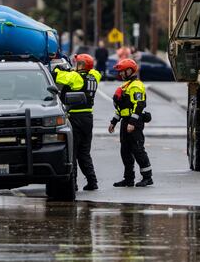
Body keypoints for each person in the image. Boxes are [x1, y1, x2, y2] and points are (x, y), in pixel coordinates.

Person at [53, 54, 101, 191]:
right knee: (84, 152)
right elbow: (93, 71)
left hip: (75, 118)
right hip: (88, 118)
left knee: (72, 152)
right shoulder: (95, 76)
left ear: (83, 66)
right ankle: (92, 181)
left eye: (78, 64)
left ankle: (72, 184)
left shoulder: (75, 78)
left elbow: (57, 76)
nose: (76, 66)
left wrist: (59, 68)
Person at [108, 58, 153, 187]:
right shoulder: (125, 86)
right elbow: (122, 108)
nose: (121, 74)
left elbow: (139, 105)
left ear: (130, 70)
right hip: (125, 122)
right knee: (125, 151)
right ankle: (128, 179)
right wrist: (114, 122)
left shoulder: (136, 86)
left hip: (134, 122)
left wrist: (132, 122)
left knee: (138, 150)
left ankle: (147, 177)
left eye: (123, 72)